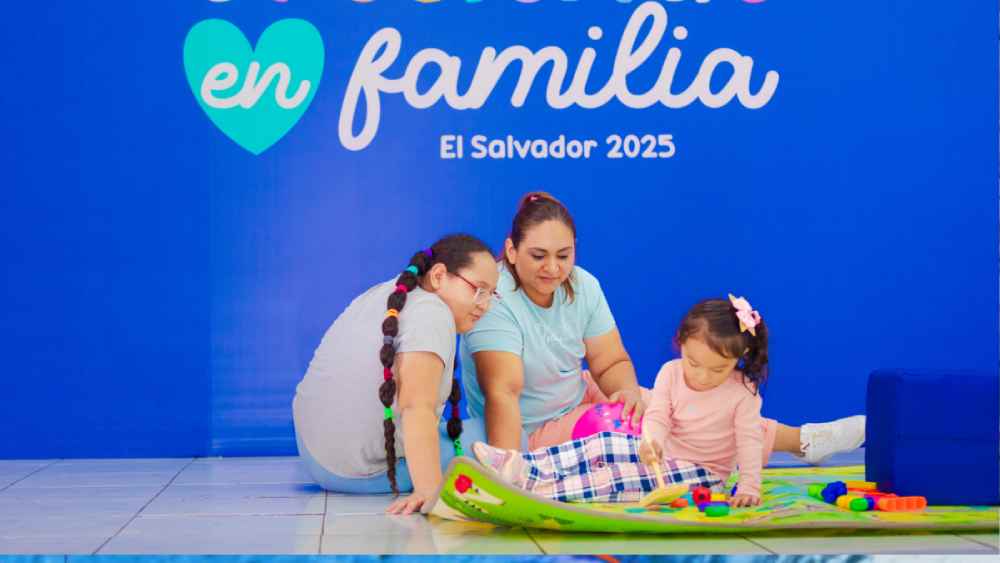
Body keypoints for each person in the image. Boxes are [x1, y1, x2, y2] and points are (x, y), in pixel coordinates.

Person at [462, 192, 865, 464]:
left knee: (677, 407)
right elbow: (502, 392)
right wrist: (510, 468)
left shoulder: (583, 285)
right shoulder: (494, 298)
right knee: (637, 431)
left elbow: (611, 359)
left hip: (579, 392)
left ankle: (804, 440)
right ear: (511, 251)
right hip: (534, 426)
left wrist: (624, 391)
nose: (553, 268)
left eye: (563, 255)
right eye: (538, 255)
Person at [472, 294, 863, 505]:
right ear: (681, 345)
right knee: (604, 443)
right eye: (694, 362)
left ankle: (538, 494)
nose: (702, 376)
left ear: (737, 363)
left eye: (717, 370)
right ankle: (520, 466)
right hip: (666, 452)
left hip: (705, 471)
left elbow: (748, 442)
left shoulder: (743, 393)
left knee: (618, 479)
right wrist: (652, 441)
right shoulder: (671, 373)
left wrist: (749, 487)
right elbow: (657, 414)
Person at [292, 234, 500, 515]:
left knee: (464, 433)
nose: (484, 305)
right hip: (353, 469)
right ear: (439, 276)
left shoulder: (390, 293)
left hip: (313, 452)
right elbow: (416, 406)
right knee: (504, 437)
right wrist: (428, 491)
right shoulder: (432, 313)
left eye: (491, 295)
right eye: (479, 290)